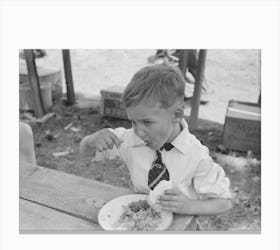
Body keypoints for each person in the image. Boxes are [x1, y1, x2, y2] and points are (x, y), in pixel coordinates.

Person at [79, 64, 232, 220]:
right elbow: (85, 152)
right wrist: (91, 141)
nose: (138, 131)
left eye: (147, 122)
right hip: (140, 223)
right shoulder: (129, 139)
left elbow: (224, 201)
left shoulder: (196, 155)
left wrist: (190, 206)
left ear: (176, 115)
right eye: (133, 122)